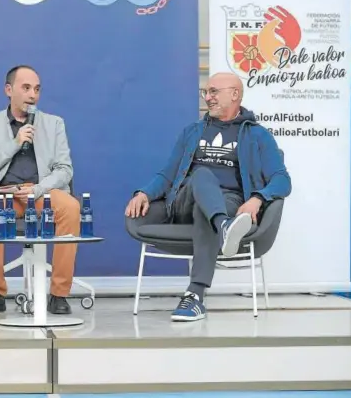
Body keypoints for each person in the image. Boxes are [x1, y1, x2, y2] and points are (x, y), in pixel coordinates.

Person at [124, 72, 291, 322]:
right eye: (206, 92)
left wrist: (257, 198)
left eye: (214, 92)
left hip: (230, 203)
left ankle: (194, 296)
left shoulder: (258, 135)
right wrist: (144, 192)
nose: (208, 97)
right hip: (186, 200)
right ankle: (224, 227)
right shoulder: (192, 132)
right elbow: (168, 174)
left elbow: (282, 179)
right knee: (202, 175)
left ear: (235, 94)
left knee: (212, 208)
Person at [0, 65, 80, 315]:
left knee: (72, 208)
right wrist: (14, 143)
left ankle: (59, 294)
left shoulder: (54, 124)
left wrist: (38, 189)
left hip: (39, 191)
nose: (33, 95)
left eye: (37, 89)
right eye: (26, 88)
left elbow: (65, 169)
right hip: (2, 193)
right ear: (9, 90)